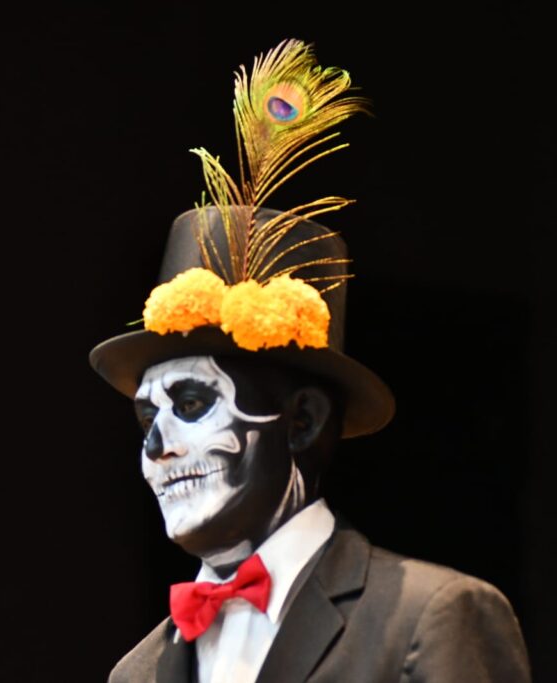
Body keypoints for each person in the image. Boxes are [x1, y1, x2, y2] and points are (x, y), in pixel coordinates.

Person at [89, 39, 531, 683]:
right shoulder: (138, 672)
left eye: (192, 403)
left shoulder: (428, 616)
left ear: (302, 422)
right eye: (146, 417)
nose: (156, 448)